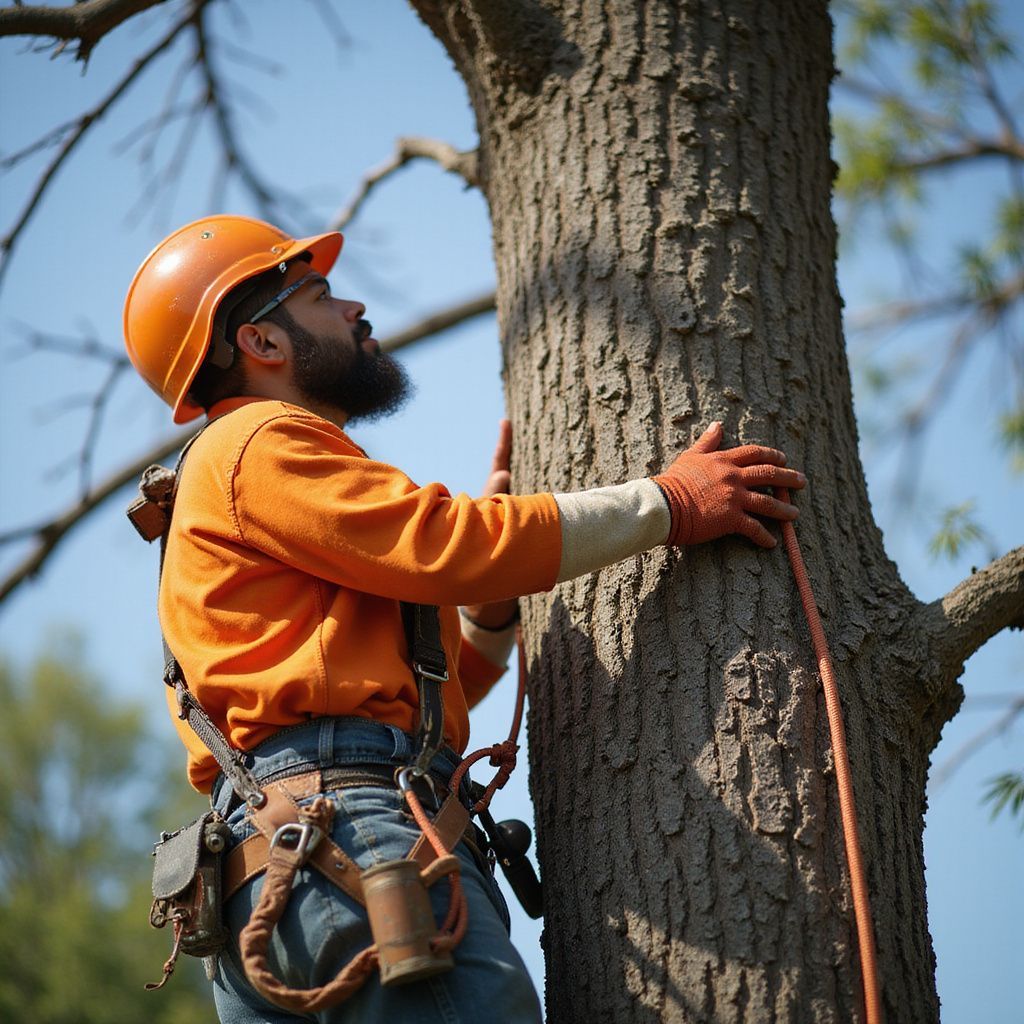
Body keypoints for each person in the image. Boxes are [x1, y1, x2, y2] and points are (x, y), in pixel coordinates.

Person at [123, 215, 806, 1023]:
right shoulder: (260, 439)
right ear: (264, 344)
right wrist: (667, 502)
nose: (354, 309)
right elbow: (446, 544)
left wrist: (486, 617)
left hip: (276, 871)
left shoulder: (241, 489)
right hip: (348, 838)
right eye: (322, 295)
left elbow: (412, 693)